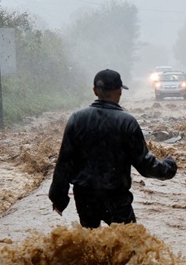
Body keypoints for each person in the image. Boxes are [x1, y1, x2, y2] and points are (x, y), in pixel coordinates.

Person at [49, 68, 177, 228]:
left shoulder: (77, 119)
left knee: (90, 244)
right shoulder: (127, 122)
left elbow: (64, 163)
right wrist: (169, 167)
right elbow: (145, 165)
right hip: (116, 197)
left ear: (95, 90)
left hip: (84, 196)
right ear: (119, 91)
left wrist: (58, 199)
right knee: (128, 244)